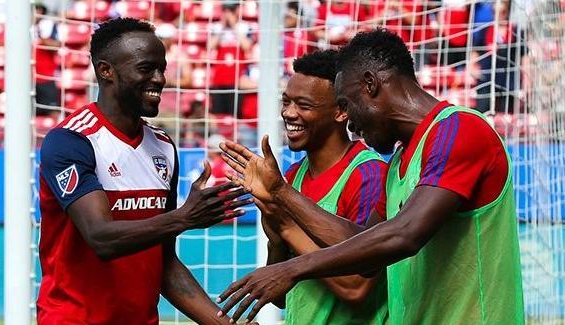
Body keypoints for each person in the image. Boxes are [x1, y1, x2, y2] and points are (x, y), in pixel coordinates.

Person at [217, 29, 524, 324]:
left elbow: (405, 234)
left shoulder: (458, 128)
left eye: (348, 105)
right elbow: (361, 247)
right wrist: (281, 193)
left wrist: (293, 268)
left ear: (370, 84)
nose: (349, 122)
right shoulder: (397, 165)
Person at [37, 18, 251, 325]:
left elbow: (163, 262)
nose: (160, 79)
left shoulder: (163, 146)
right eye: (146, 68)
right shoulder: (72, 140)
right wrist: (184, 217)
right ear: (105, 71)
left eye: (162, 68)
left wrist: (225, 324)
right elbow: (101, 238)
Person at [261, 49, 388, 324]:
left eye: (303, 106)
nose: (289, 113)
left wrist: (286, 227)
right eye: (286, 102)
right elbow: (280, 295)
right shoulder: (293, 177)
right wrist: (275, 238)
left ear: (341, 111)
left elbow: (357, 288)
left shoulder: (368, 175)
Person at [33, 3, 61, 114]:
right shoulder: (20, 29)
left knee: (52, 111)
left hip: (46, 78)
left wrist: (42, 37)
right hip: (28, 80)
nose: (37, 12)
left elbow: (57, 45)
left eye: (40, 10)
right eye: (35, 9)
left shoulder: (49, 26)